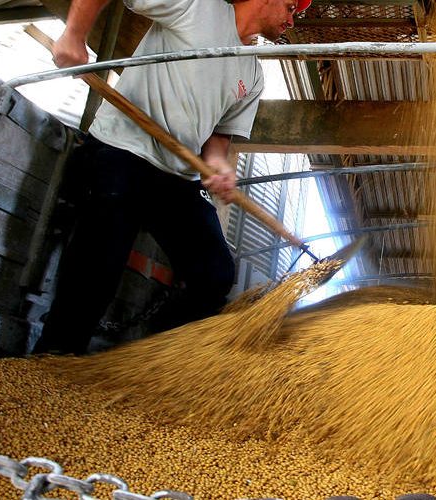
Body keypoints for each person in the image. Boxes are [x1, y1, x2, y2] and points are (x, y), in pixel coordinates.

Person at [32, 0, 312, 355]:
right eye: (290, 7)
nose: (292, 20)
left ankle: (155, 359)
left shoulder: (253, 74)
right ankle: (54, 355)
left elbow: (219, 135)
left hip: (177, 177)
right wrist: (74, 35)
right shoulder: (197, 7)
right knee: (99, 263)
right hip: (123, 149)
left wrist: (217, 163)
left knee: (215, 275)